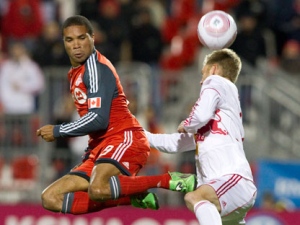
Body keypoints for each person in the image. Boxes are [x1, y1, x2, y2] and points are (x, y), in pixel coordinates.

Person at [36, 15, 196, 215]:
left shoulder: (95, 68)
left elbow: (98, 118)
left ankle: (167, 180)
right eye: (70, 40)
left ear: (93, 38)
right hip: (100, 147)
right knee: (50, 198)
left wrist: (58, 130)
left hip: (123, 136)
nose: (76, 45)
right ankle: (132, 196)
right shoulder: (75, 72)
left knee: (98, 188)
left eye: (82, 38)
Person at [146, 48, 257, 224]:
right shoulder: (216, 126)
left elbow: (200, 115)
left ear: (213, 69)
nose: (201, 81)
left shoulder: (217, 81)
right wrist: (141, 135)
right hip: (226, 193)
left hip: (231, 181)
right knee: (200, 200)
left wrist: (187, 123)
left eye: (202, 73)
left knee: (195, 198)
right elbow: (174, 143)